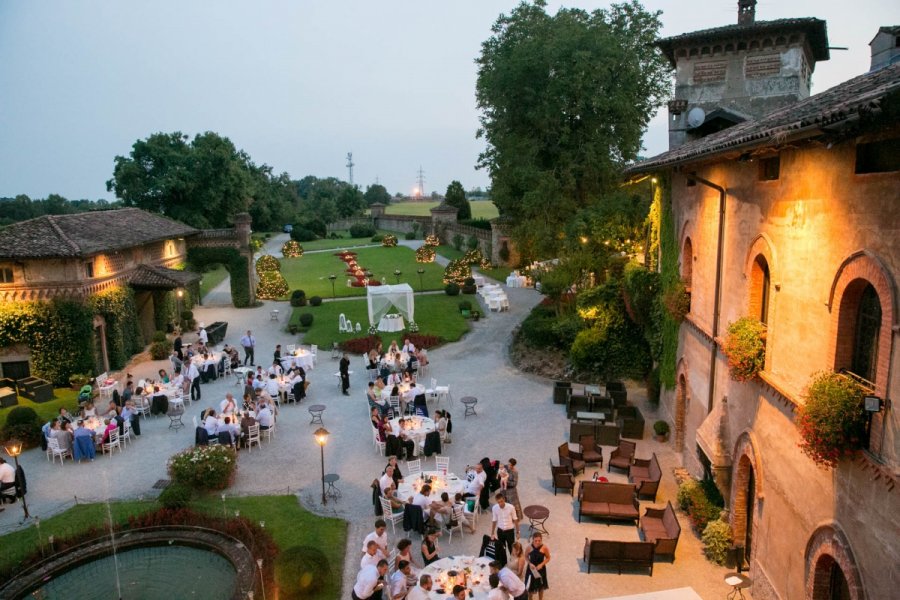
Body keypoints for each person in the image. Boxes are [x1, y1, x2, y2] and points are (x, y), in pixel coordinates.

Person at [524, 534, 550, 599]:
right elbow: (526, 557)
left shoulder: (544, 547)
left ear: (541, 540)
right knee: (530, 586)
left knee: (541, 586)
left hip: (541, 569)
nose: (537, 542)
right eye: (536, 540)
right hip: (531, 569)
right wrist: (530, 563)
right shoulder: (529, 547)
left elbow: (548, 558)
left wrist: (541, 564)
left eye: (539, 540)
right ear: (533, 540)